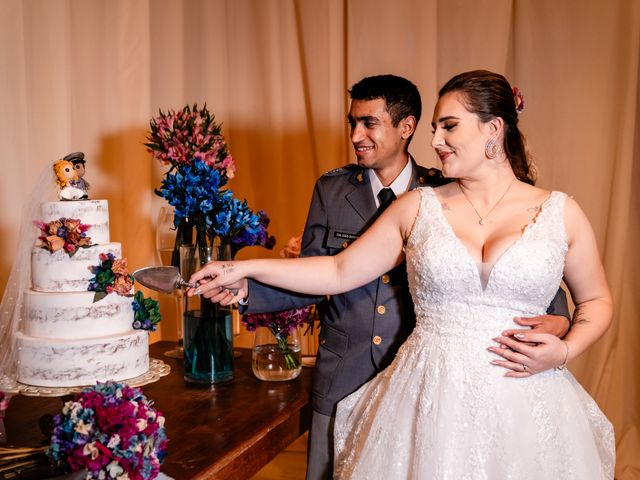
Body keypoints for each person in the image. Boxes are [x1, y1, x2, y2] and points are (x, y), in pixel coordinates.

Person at [193, 73, 575, 479]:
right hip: (345, 373)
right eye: (352, 123)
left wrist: (560, 324)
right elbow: (326, 272)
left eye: (369, 123)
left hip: (430, 387)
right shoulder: (332, 190)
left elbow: (527, 282)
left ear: (405, 127)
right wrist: (245, 286)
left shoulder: (449, 187)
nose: (357, 135)